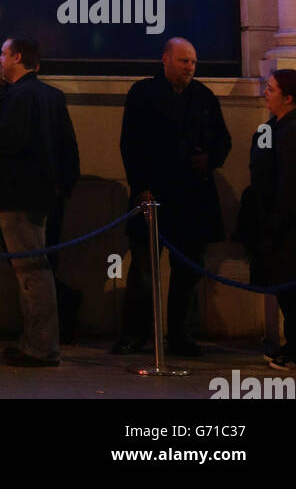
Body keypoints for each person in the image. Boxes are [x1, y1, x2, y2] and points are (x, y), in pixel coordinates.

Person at [0, 36, 79, 368]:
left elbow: (4, 141)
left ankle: (40, 346)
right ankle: (34, 342)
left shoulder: (18, 97)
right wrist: (62, 189)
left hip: (17, 195)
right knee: (37, 270)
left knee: (31, 273)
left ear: (17, 58)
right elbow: (69, 148)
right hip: (45, 197)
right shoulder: (51, 96)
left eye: (3, 53)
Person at [114, 36, 232, 357]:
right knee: (143, 269)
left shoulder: (205, 98)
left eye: (193, 62)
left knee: (188, 271)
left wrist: (209, 158)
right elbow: (130, 145)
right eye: (184, 61)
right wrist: (140, 186)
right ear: (166, 60)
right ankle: (136, 334)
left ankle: (180, 334)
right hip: (152, 194)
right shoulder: (143, 94)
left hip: (192, 198)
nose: (190, 68)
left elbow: (223, 140)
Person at [238, 68, 296, 370]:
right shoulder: (272, 127)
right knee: (282, 285)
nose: (266, 93)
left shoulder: (291, 131)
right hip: (269, 219)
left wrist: (277, 219)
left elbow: (288, 182)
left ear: (289, 98)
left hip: (285, 225)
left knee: (289, 285)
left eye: (271, 89)